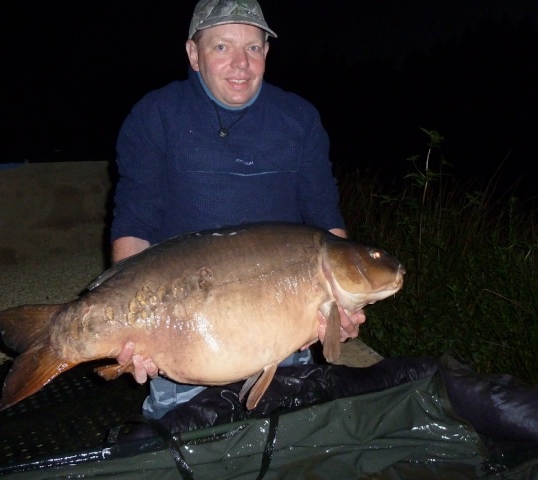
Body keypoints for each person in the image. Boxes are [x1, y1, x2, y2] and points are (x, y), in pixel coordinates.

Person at [110, 0, 365, 419]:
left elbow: (326, 219)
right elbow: (135, 220)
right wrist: (130, 324)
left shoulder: (298, 118)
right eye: (222, 48)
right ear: (194, 54)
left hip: (281, 326)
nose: (241, 65)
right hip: (184, 328)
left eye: (253, 48)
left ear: (267, 52)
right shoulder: (155, 115)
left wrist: (344, 304)